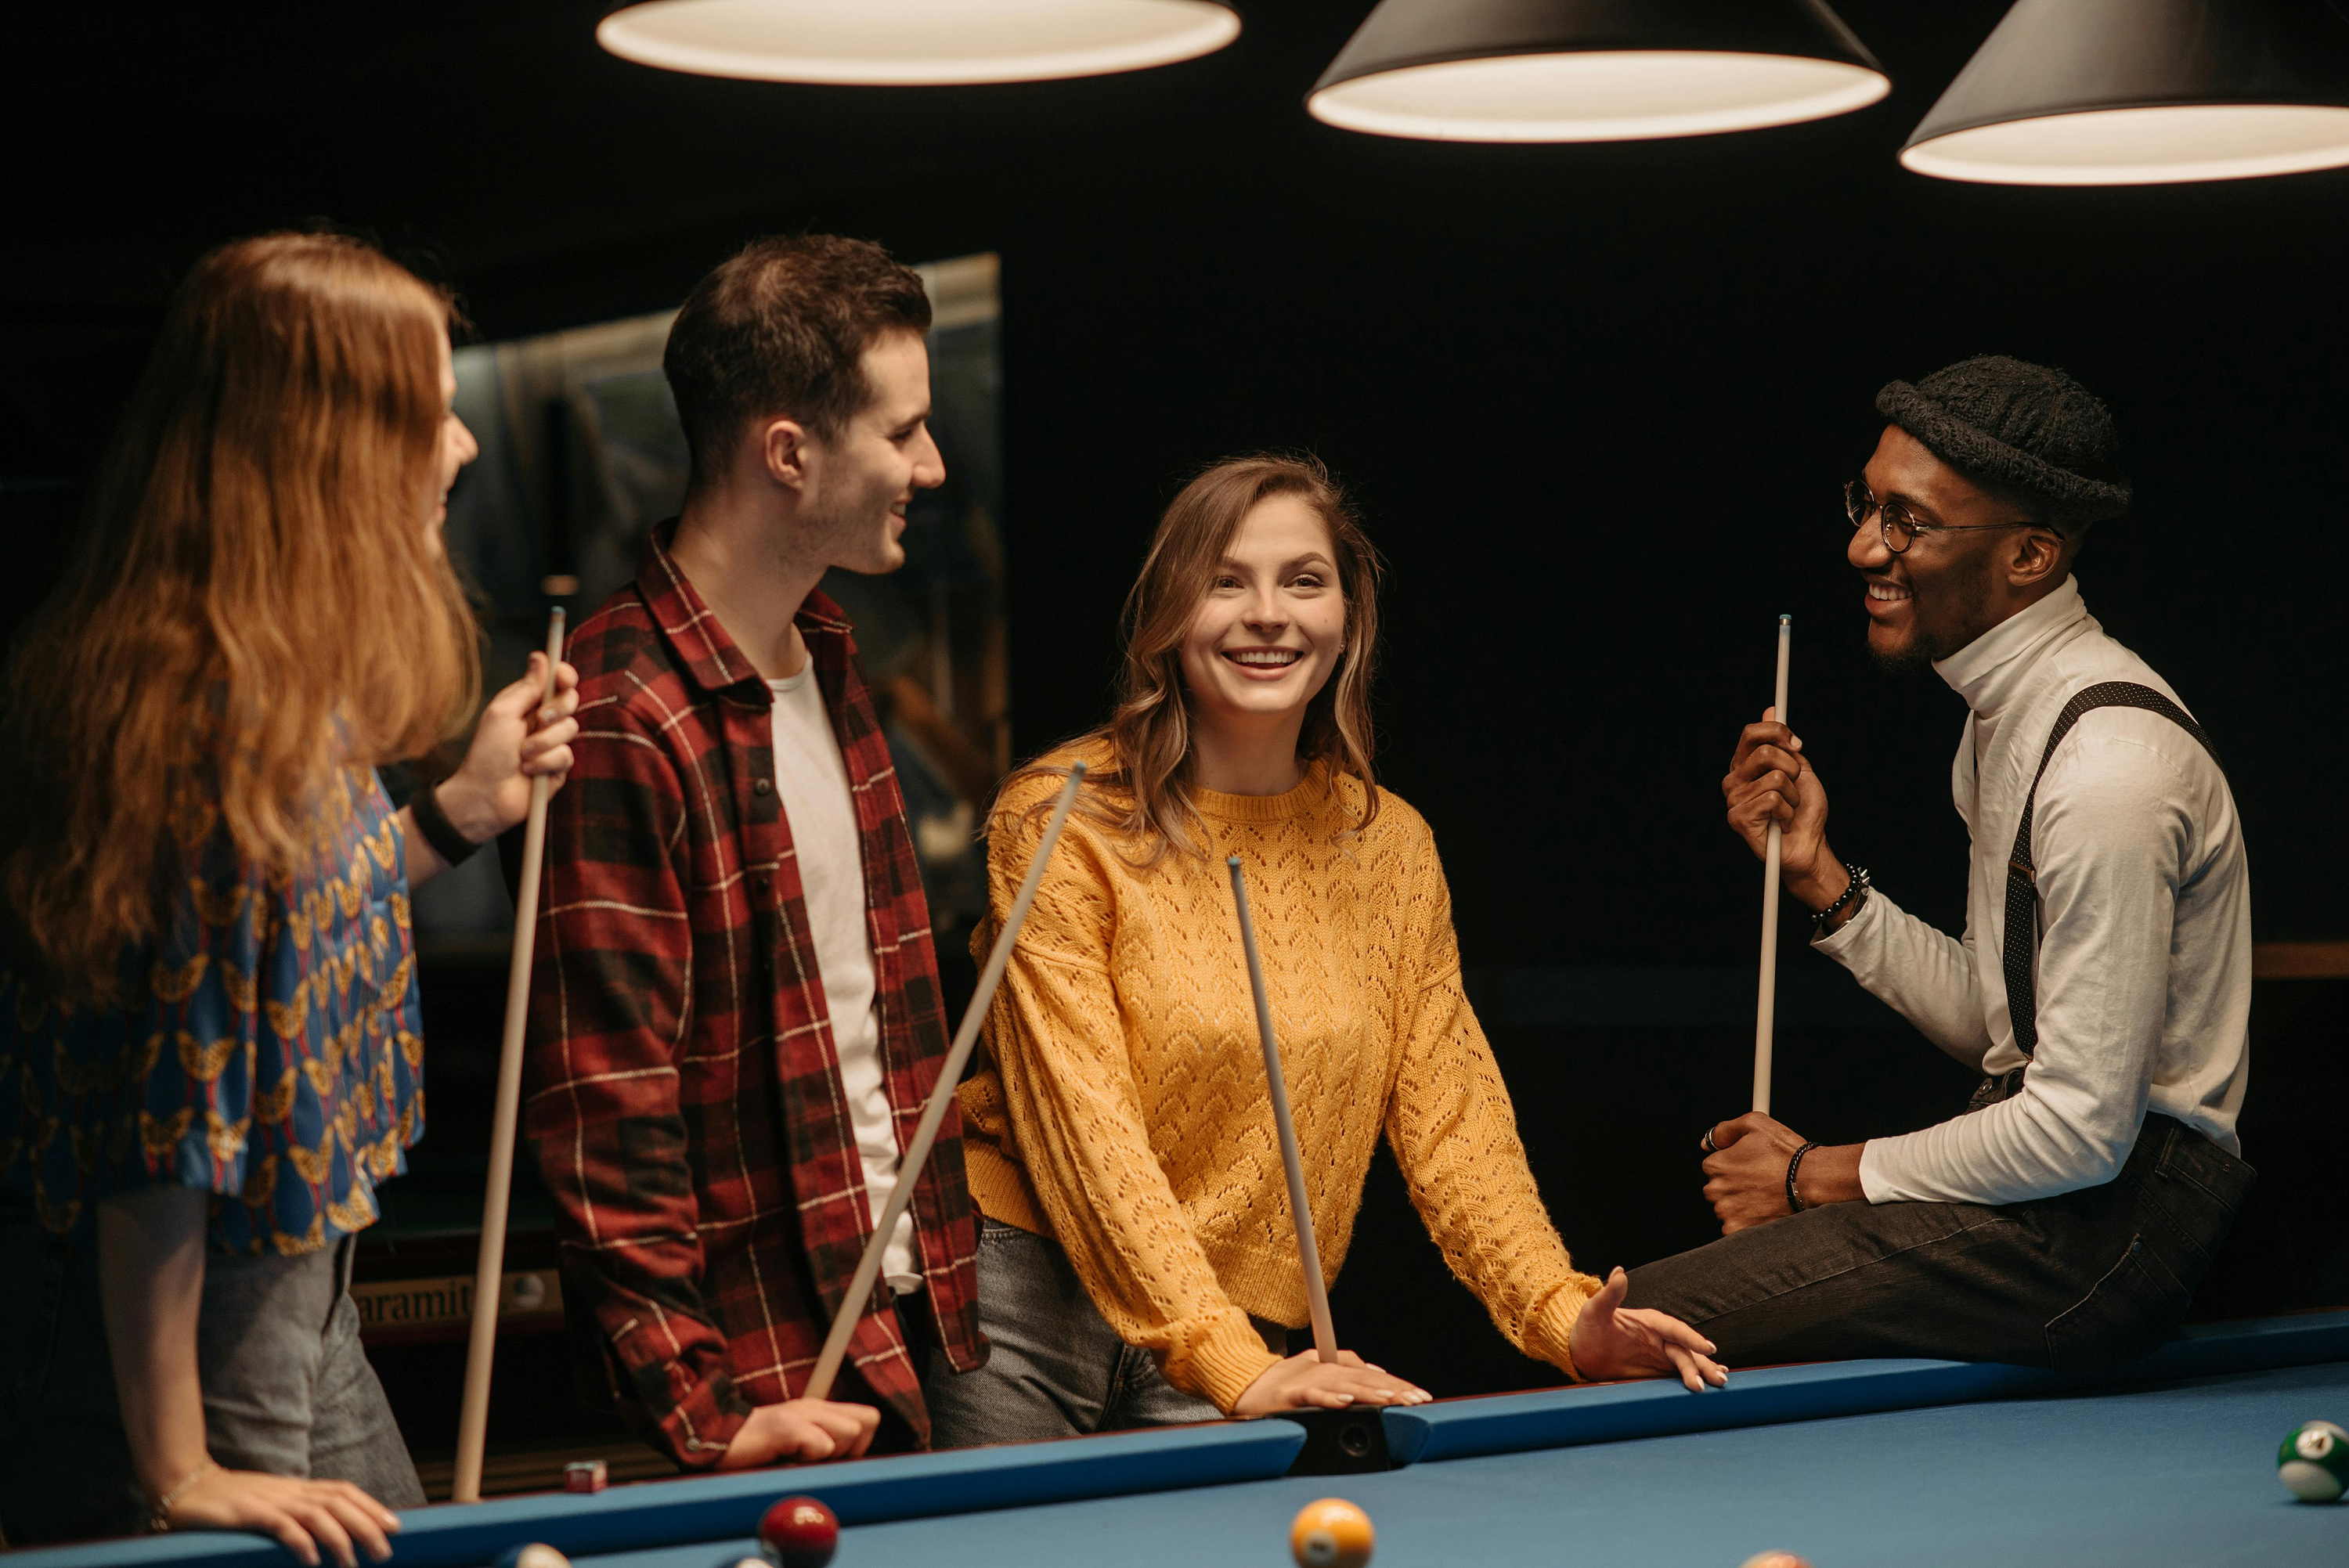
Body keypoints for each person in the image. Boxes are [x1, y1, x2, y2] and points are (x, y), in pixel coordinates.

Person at [924, 453, 1725, 1449]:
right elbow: (1085, 1127)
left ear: (1348, 616)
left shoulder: (1390, 847)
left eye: (1304, 580)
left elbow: (1455, 1122)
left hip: (1239, 1316)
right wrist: (1224, 1356)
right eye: (1227, 580)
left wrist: (1559, 1314)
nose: (1270, 613)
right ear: (1170, 613)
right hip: (1023, 1285)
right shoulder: (1059, 818)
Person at [0, 232, 581, 1553]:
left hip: (296, 1304)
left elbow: (291, 931)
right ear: (335, 442)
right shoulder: (210, 728)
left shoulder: (278, 697)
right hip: (187, 1344)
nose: (464, 444)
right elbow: (158, 1146)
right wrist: (181, 1465)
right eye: (431, 411)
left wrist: (458, 815)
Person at [1626, 355, 2255, 1371]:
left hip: (2102, 1228)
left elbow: (2081, 1131)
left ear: (2032, 554)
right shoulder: (2006, 722)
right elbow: (2000, 1027)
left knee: (1635, 1326)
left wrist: (1810, 1174)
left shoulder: (2106, 768)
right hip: (2055, 1199)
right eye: (1865, 503)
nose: (1862, 545)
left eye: (1908, 520)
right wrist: (1820, 877)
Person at [524, 235, 987, 1472]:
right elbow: (606, 1111)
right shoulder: (628, 709)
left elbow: (868, 1023)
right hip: (759, 1384)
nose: (931, 466)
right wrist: (702, 1407)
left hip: (904, 1322)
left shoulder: (828, 655)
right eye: (904, 432)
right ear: (789, 452)